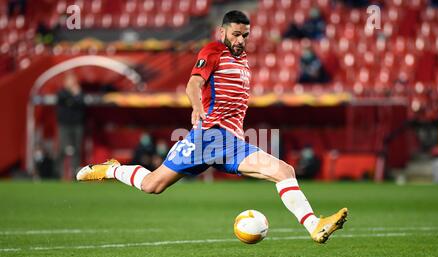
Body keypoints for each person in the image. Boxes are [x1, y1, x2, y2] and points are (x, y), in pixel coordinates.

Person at [76, 11, 348, 244]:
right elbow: (193, 84)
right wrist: (196, 107)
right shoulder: (213, 51)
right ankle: (111, 169)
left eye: (245, 36)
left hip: (231, 142)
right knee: (152, 185)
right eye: (236, 35)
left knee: (283, 171)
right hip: (208, 136)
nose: (240, 40)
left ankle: (314, 225)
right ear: (222, 32)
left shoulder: (243, 62)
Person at [56, 73, 86, 179]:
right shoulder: (62, 92)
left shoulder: (79, 92)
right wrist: (74, 97)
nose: (72, 83)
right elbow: (66, 101)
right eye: (70, 80)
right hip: (64, 125)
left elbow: (80, 103)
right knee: (63, 149)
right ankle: (60, 173)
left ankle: (75, 174)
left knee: (77, 150)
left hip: (77, 124)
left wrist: (75, 98)